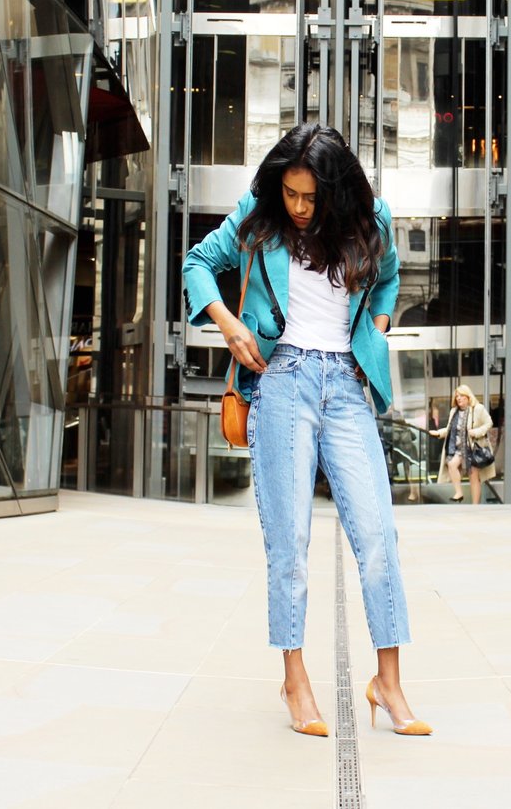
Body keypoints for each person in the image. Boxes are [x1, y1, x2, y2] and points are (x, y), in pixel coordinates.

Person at [182, 123, 431, 739]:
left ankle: (388, 682)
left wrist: (377, 317)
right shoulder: (258, 214)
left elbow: (392, 276)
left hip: (346, 386)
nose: (297, 208)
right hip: (282, 381)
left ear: (335, 191)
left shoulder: (371, 218)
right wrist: (227, 325)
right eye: (289, 194)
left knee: (377, 536)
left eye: (309, 197)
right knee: (289, 544)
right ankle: (294, 678)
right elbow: (198, 264)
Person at [432, 384, 495, 504]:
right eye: (457, 396)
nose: (458, 398)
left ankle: (475, 505)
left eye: (461, 396)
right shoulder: (454, 411)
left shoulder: (478, 408)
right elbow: (449, 429)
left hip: (472, 447)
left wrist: (476, 432)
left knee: (473, 476)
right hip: (458, 448)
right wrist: (438, 433)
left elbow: (488, 423)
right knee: (451, 464)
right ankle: (459, 493)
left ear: (468, 396)